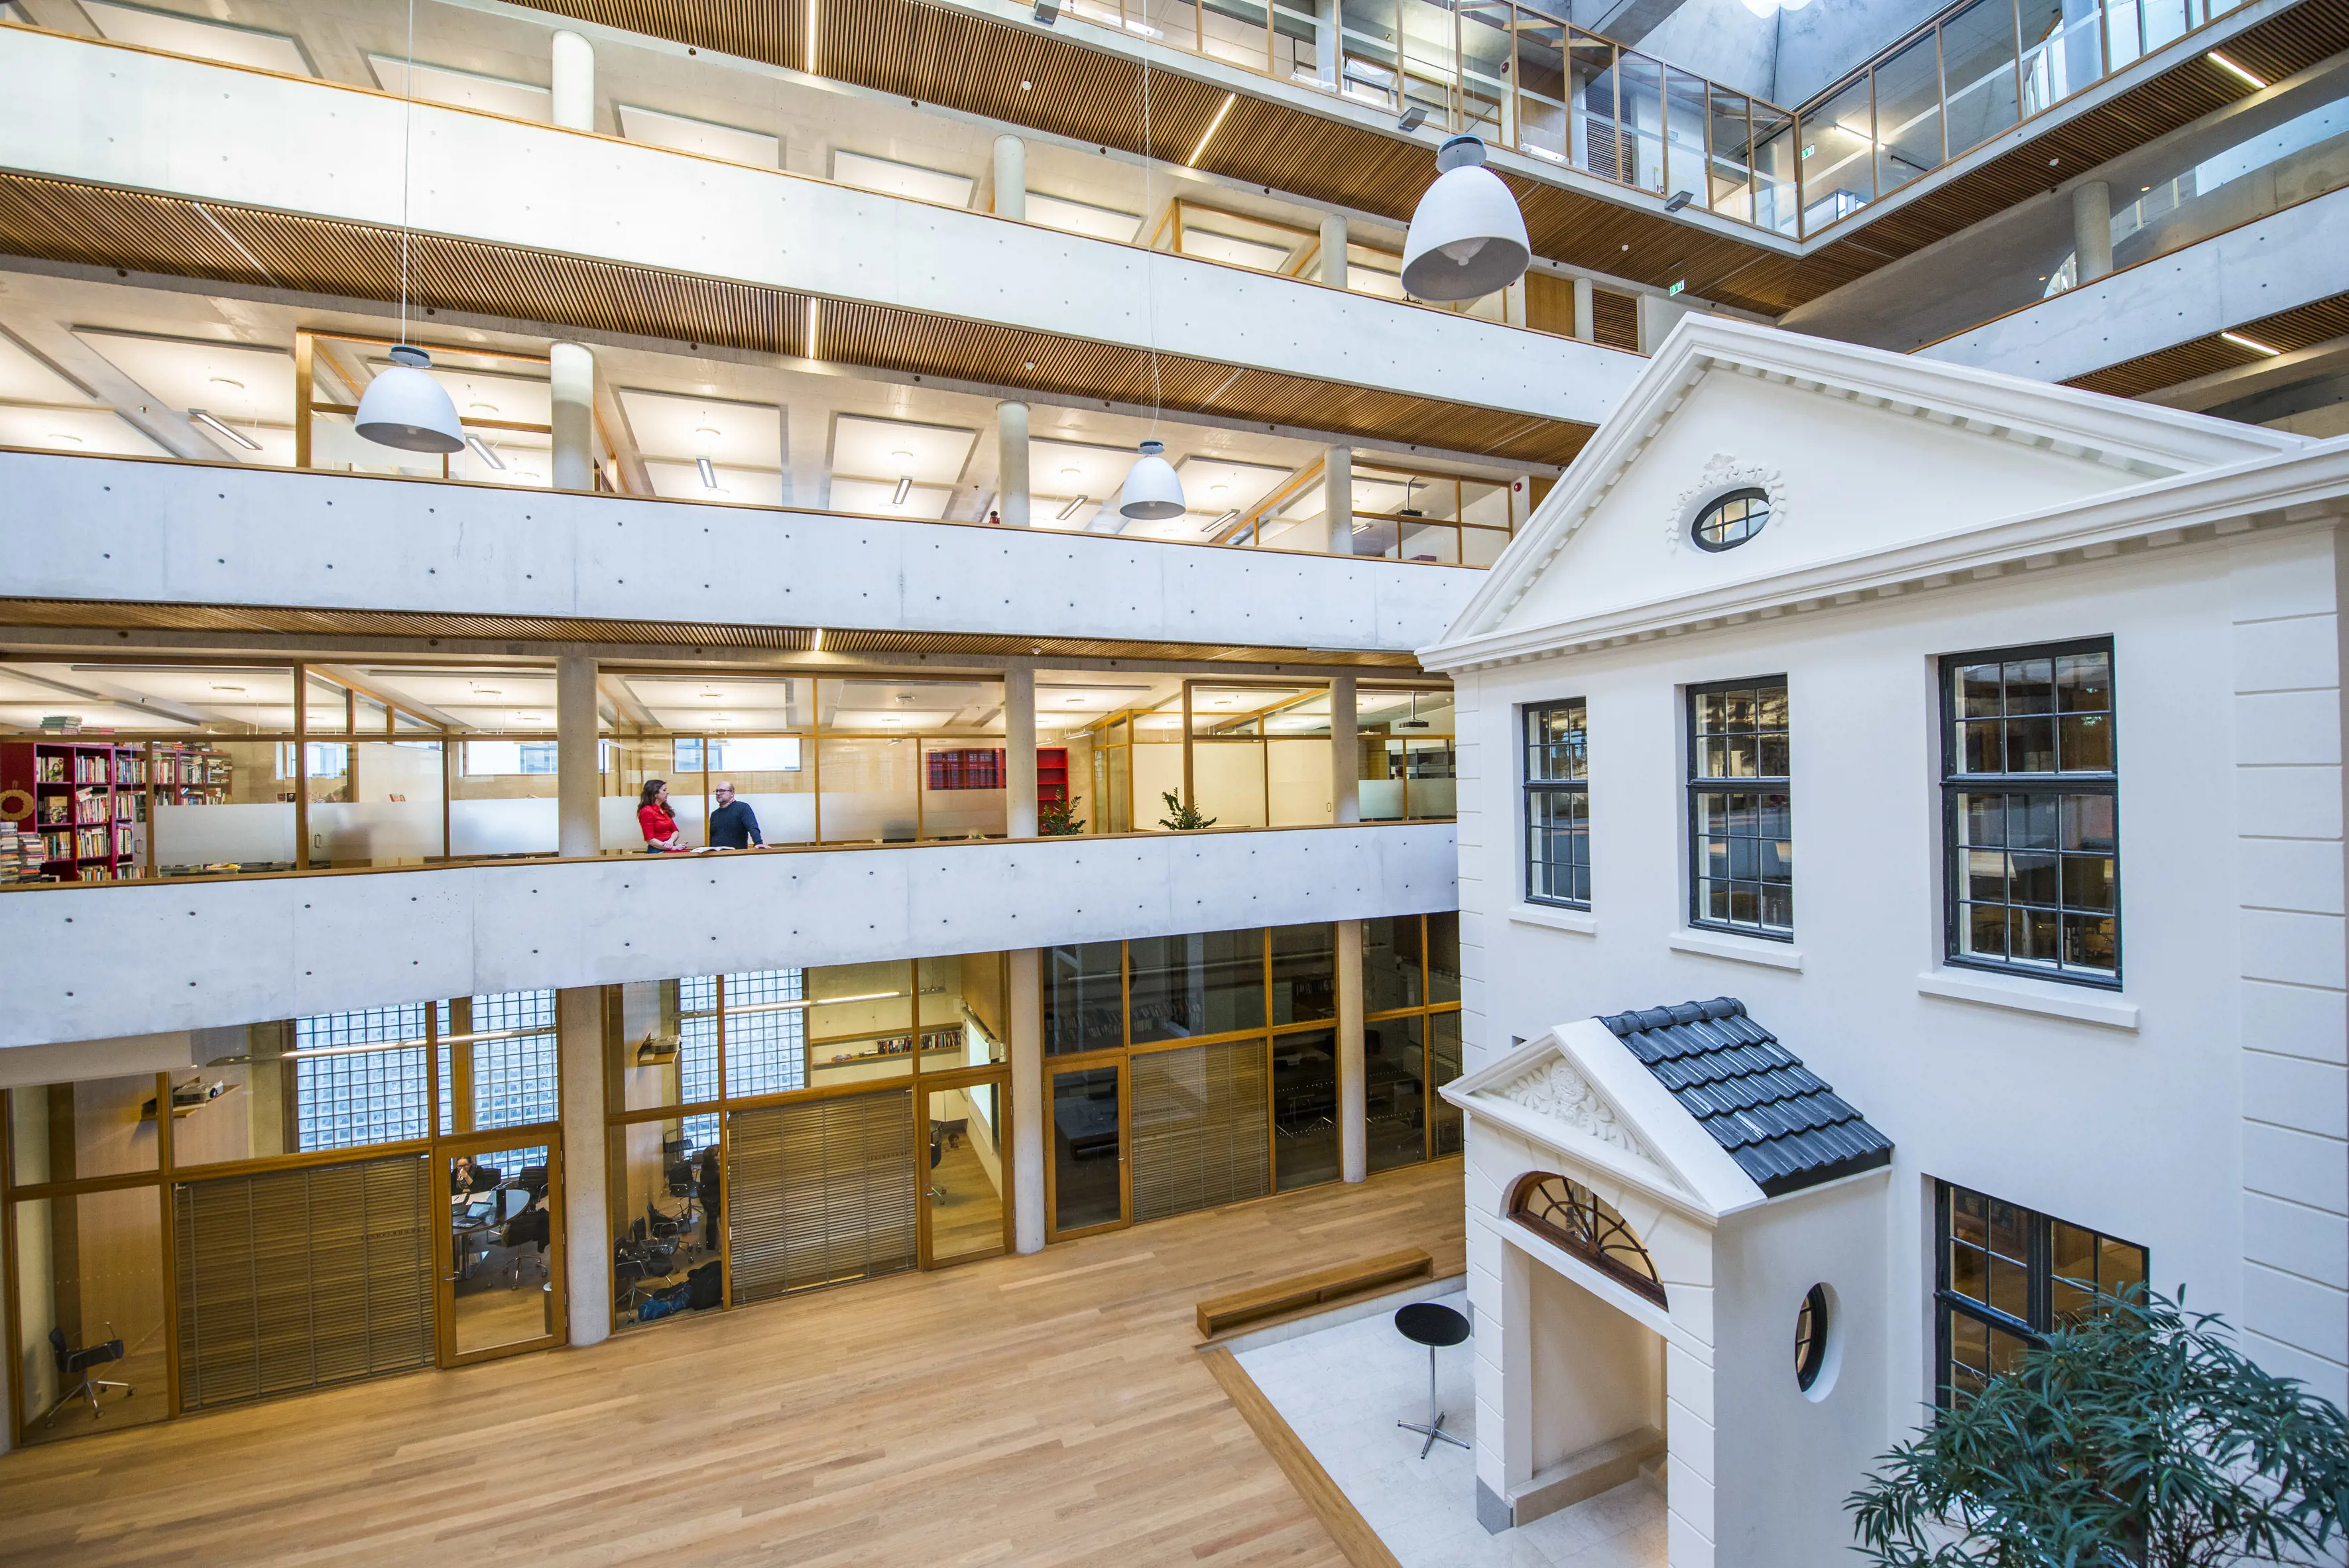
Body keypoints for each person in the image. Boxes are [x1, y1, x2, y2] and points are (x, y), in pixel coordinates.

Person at [707, 780, 764, 849]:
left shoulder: (743, 808)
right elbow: (712, 838)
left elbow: (752, 827)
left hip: (737, 854)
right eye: (717, 791)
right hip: (718, 855)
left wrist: (758, 843)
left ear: (732, 793)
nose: (718, 793)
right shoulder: (714, 814)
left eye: (722, 791)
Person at [638, 778, 685, 853]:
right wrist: (672, 848)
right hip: (657, 850)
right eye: (664, 790)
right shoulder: (646, 811)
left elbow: (675, 830)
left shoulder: (664, 809)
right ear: (655, 794)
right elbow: (650, 839)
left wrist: (671, 841)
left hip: (670, 846)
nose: (668, 793)